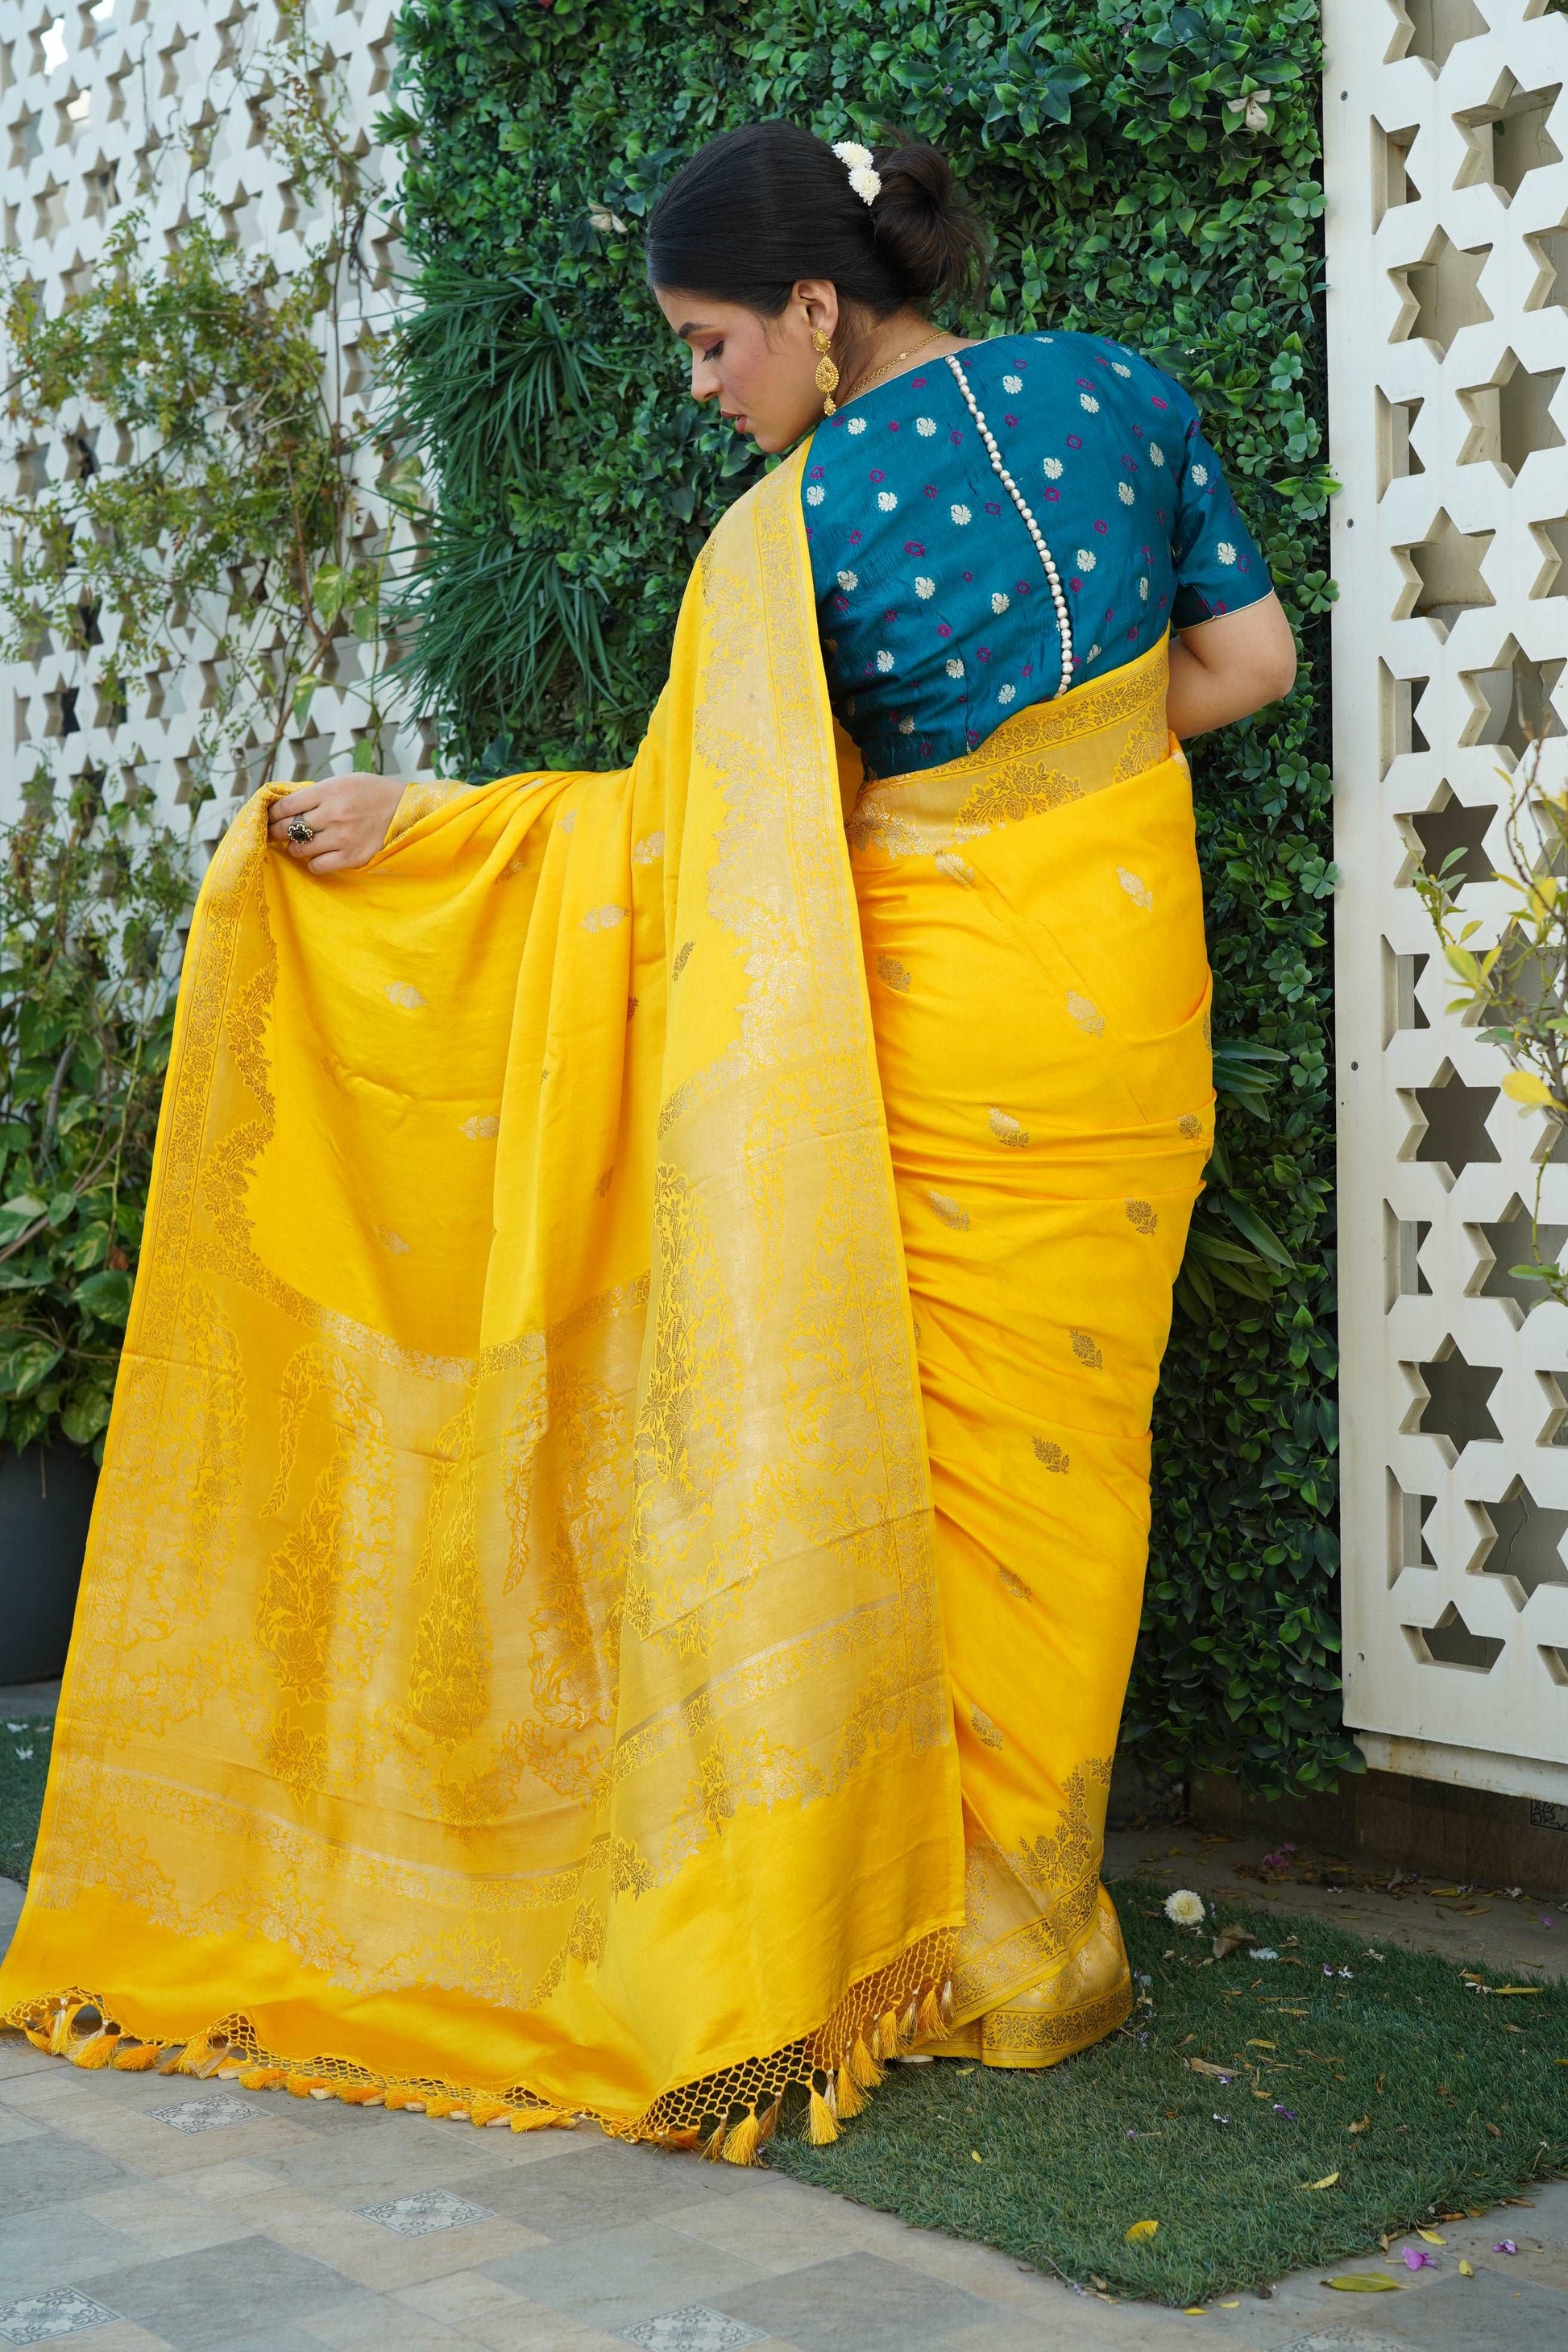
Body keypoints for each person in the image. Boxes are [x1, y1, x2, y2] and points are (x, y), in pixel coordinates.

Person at [0, 124, 1293, 2135]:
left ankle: (934, 1929)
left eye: (707, 346)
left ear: (812, 308)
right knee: (1069, 1467)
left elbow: (697, 835)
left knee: (926, 1479)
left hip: (944, 1062)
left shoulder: (794, 533)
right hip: (1133, 1025)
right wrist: (1060, 789)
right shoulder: (1125, 395)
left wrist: (428, 824)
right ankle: (1035, 1917)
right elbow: (1245, 662)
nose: (702, 393)